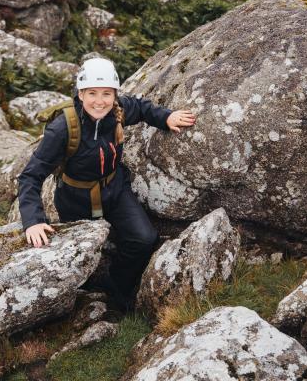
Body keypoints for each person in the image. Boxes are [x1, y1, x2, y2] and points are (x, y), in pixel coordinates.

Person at [17, 57, 196, 308]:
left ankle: (117, 288)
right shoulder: (63, 128)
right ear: (80, 94)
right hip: (75, 200)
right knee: (82, 257)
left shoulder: (118, 111)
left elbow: (142, 108)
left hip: (115, 189)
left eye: (106, 94)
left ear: (114, 94)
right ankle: (88, 296)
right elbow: (30, 176)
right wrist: (33, 221)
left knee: (144, 239)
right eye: (92, 93)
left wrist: (165, 117)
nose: (99, 101)